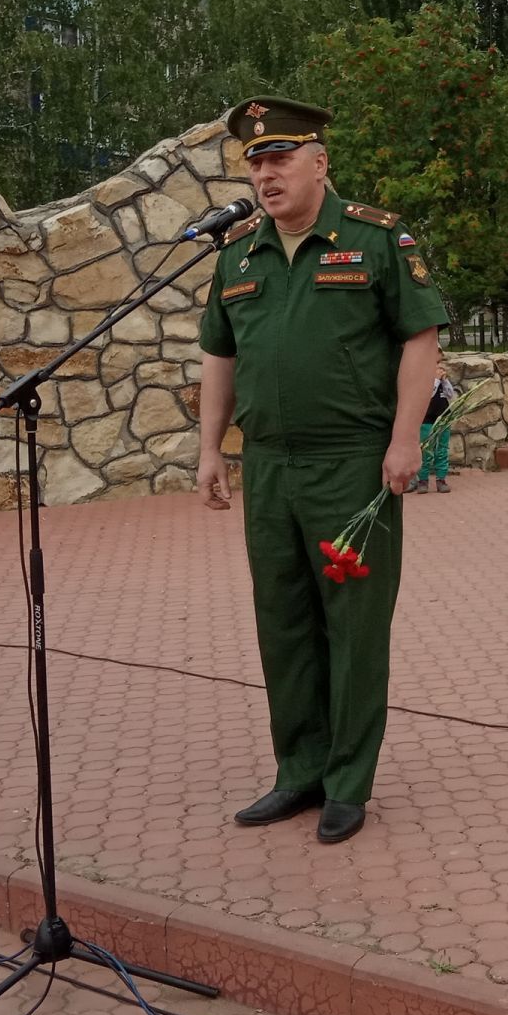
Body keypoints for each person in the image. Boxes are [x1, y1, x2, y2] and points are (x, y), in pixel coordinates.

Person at [197, 96, 449, 842]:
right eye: (255, 162)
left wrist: (406, 440)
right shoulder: (237, 254)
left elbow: (420, 339)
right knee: (283, 623)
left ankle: (346, 781)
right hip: (269, 469)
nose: (266, 174)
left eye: (280, 158)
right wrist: (212, 448)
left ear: (318, 162)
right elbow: (220, 355)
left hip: (350, 467)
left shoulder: (376, 241)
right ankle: (298, 771)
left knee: (353, 626)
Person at [408, 363, 456, 493]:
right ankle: (423, 481)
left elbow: (450, 394)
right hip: (427, 420)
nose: (439, 370)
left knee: (442, 449)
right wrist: (435, 380)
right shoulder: (422, 379)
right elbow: (426, 396)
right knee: (426, 450)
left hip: (443, 417)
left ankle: (441, 479)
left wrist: (444, 381)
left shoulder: (442, 381)